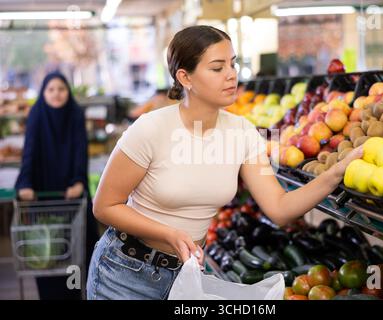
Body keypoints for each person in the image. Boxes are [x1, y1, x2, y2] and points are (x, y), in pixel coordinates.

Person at [87, 25, 362, 300]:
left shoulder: (242, 132)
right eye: (217, 68)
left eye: (232, 64)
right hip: (125, 273)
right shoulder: (151, 129)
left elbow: (279, 208)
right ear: (185, 77)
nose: (231, 74)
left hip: (186, 276)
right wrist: (168, 233)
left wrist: (335, 173)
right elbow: (105, 206)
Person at [15, 71, 99, 300]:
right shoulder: (36, 114)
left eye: (61, 89)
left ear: (68, 91)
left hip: (72, 198)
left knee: (77, 257)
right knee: (48, 257)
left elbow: (80, 153)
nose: (56, 94)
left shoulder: (75, 114)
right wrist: (25, 183)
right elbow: (29, 153)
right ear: (43, 93)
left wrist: (79, 181)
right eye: (50, 89)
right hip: (42, 199)